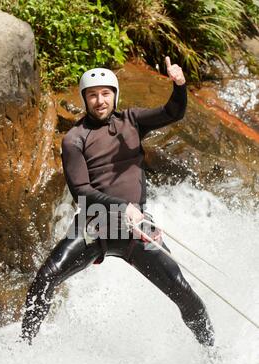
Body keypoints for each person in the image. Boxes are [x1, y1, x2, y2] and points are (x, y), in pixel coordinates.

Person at [21, 57, 215, 347]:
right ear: (85, 99)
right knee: (45, 278)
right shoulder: (75, 138)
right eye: (93, 95)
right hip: (96, 223)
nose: (100, 100)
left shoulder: (132, 121)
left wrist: (179, 85)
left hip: (136, 230)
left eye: (105, 93)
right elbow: (81, 191)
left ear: (115, 94)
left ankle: (213, 355)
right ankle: (23, 350)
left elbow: (173, 112)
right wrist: (122, 207)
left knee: (183, 291)